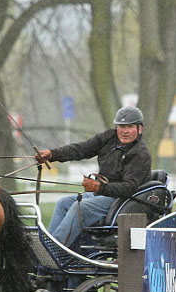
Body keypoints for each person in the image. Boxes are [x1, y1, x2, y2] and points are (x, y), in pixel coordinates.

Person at [34, 105, 152, 247]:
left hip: (122, 200)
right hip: (102, 194)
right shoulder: (109, 138)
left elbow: (129, 188)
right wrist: (53, 154)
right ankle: (47, 244)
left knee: (80, 207)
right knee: (63, 203)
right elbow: (82, 149)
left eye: (130, 127)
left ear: (139, 129)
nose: (125, 131)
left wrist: (98, 186)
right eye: (121, 126)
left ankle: (55, 249)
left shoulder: (140, 154)